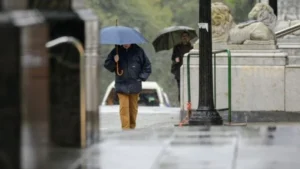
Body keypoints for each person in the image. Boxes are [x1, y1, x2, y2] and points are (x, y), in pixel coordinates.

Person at [104, 44, 151, 130]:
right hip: (121, 84)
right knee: (124, 108)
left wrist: (141, 78)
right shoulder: (116, 51)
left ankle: (132, 127)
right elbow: (107, 65)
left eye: (128, 42)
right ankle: (125, 129)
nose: (126, 44)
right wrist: (114, 61)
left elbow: (147, 66)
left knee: (133, 109)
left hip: (135, 84)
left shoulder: (139, 51)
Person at [171, 31, 193, 102]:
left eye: (186, 36)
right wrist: (176, 59)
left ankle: (188, 102)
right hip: (179, 71)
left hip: (190, 71)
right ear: (181, 38)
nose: (184, 38)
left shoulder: (192, 47)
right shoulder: (177, 47)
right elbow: (173, 57)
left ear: (189, 38)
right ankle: (181, 102)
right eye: (183, 36)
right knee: (180, 87)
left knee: (189, 87)